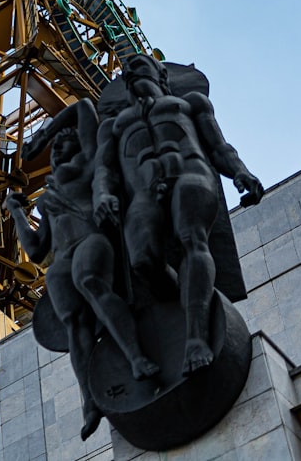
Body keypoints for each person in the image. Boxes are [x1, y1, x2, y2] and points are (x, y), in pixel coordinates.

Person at [93, 54, 264, 375]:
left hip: (190, 173)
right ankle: (184, 299)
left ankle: (196, 336)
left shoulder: (189, 103)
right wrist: (102, 194)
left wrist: (240, 172)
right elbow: (105, 169)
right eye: (126, 69)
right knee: (142, 259)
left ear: (161, 74)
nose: (130, 70)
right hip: (143, 191)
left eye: (140, 64)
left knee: (193, 239)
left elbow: (219, 146)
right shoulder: (114, 126)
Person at [5, 98, 158, 440]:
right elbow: (35, 248)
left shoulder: (90, 164)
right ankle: (89, 399)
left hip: (91, 240)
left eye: (64, 145)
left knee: (91, 281)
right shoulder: (47, 196)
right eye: (54, 150)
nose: (57, 152)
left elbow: (83, 108)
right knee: (75, 324)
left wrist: (44, 136)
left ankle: (136, 357)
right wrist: (16, 213)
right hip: (59, 260)